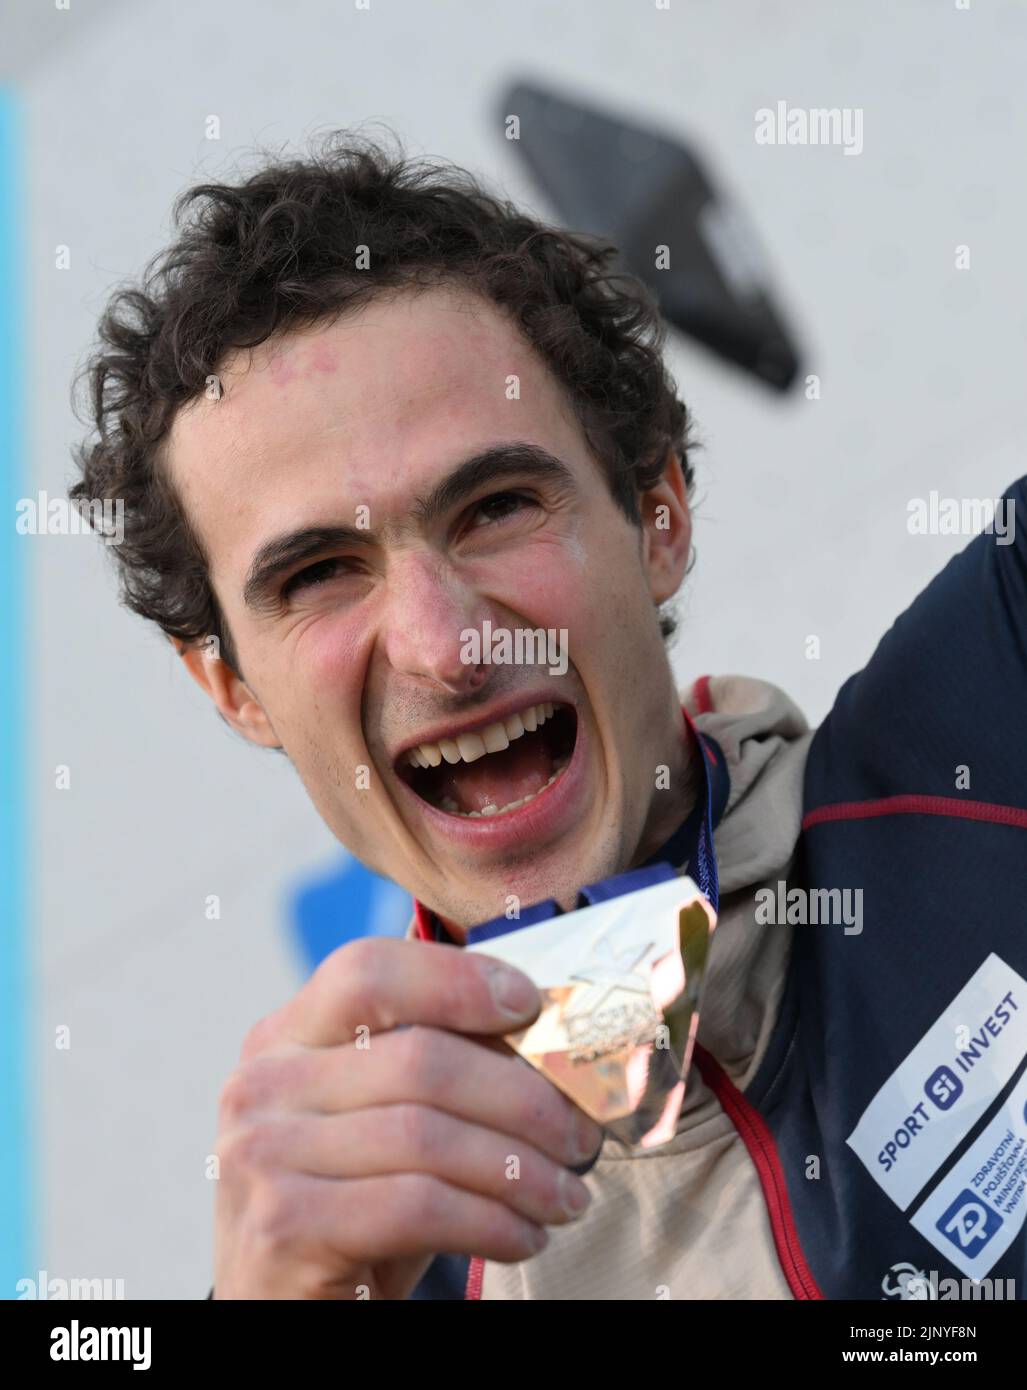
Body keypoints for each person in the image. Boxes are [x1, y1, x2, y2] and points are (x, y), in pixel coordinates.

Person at [69, 130, 1027, 1301]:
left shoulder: (991, 716)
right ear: (231, 687)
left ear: (657, 513)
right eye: (318, 573)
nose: (450, 644)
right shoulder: (366, 1269)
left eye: (495, 505)